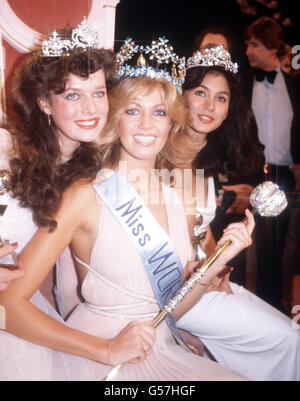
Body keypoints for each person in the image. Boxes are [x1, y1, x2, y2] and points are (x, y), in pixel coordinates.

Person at [0, 38, 254, 381]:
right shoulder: (85, 193)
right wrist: (106, 350)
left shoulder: (177, 200)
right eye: (133, 111)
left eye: (159, 112)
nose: (147, 125)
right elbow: (9, 304)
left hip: (157, 348)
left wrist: (215, 263)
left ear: (173, 124)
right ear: (116, 120)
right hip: (99, 353)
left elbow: (167, 308)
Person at [175, 45, 300, 381]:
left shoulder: (199, 157)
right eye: (200, 92)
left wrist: (221, 265)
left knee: (290, 333)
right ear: (181, 94)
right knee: (289, 341)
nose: (209, 106)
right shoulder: (163, 154)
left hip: (204, 280)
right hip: (176, 288)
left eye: (221, 98)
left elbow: (200, 228)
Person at [0, 20, 116, 380]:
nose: (90, 107)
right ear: (44, 104)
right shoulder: (5, 148)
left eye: (98, 92)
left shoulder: (91, 174)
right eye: (72, 95)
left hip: (14, 300)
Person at [242, 16, 300, 311]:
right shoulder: (241, 83)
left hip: (282, 175)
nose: (248, 50)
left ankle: (272, 310)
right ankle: (238, 309)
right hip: (248, 174)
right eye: (248, 45)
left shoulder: (294, 87)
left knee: (274, 250)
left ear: (271, 46)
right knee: (239, 243)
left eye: (254, 45)